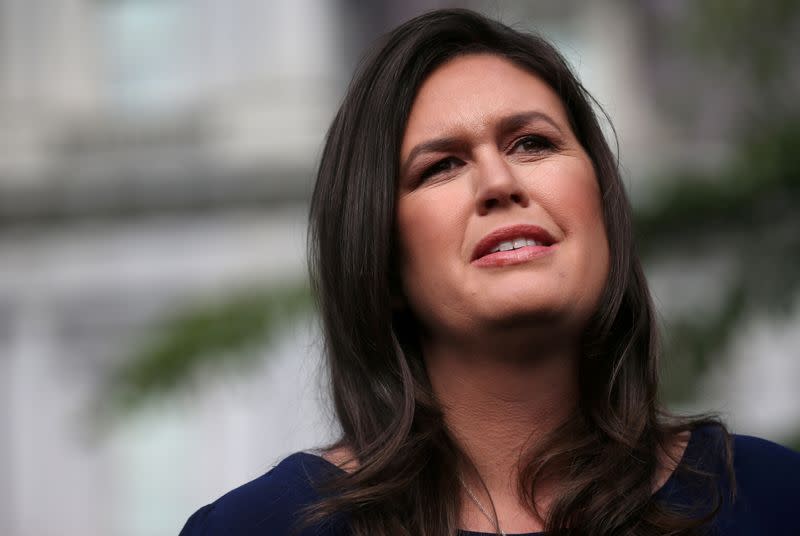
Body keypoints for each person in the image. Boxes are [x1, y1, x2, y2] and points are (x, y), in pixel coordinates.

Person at [179, 8, 800, 536]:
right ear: (383, 260)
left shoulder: (774, 500)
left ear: (602, 210)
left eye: (532, 143)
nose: (500, 183)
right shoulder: (262, 526)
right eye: (441, 166)